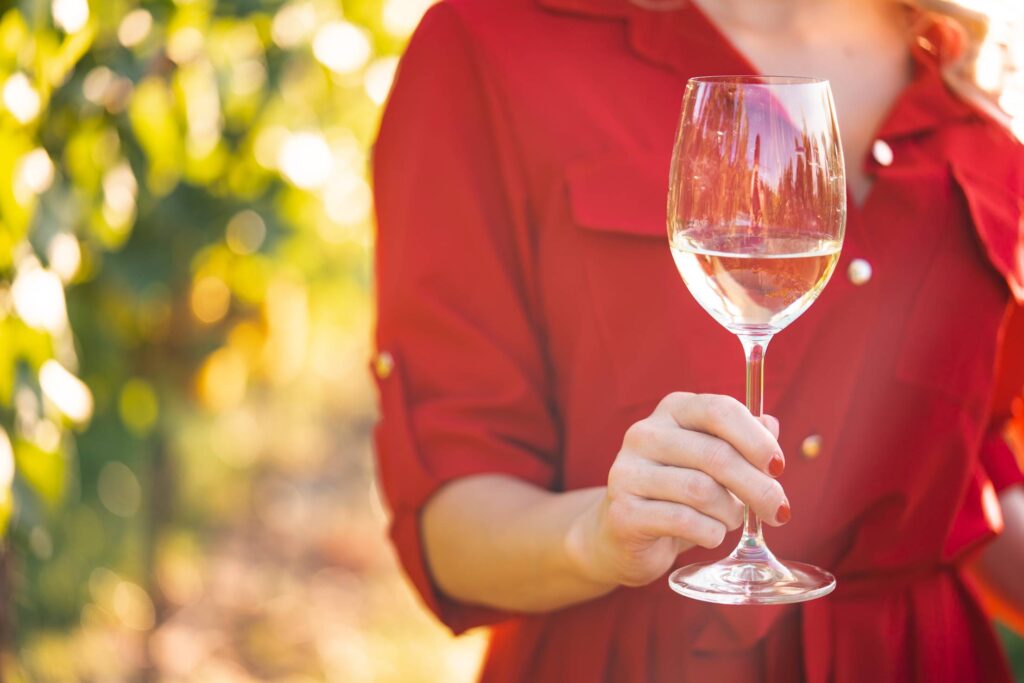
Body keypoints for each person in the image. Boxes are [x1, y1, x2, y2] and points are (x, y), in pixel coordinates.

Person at [369, 0, 1024, 679]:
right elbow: (450, 517)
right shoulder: (494, 39)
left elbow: (970, 468)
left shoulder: (971, 60)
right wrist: (597, 534)